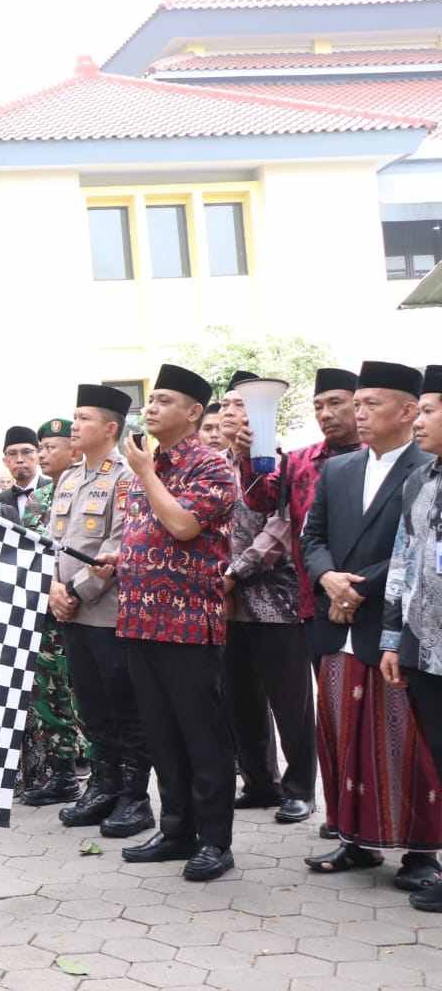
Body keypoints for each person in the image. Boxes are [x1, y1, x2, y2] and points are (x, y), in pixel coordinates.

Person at [93, 363, 238, 881]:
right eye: (151, 400)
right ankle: (177, 830)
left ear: (195, 413)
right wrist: (122, 558)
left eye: (165, 401)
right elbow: (147, 534)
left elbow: (181, 525)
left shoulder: (212, 467)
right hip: (138, 621)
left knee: (202, 736)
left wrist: (147, 475)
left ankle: (215, 842)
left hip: (187, 626)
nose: (151, 408)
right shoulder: (146, 466)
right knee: (161, 735)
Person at [302, 360, 440, 890]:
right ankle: (354, 838)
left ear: (408, 411)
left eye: (370, 404)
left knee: (406, 743)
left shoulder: (424, 469)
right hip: (335, 624)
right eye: (355, 404)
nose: (358, 414)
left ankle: (421, 852)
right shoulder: (337, 470)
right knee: (341, 736)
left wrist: (356, 588)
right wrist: (329, 578)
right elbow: (312, 537)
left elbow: (413, 555)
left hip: (389, 625)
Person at [233, 366, 359, 832]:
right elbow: (267, 502)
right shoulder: (303, 460)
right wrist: (251, 456)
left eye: (338, 403)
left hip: (371, 602)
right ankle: (342, 813)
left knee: (369, 717)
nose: (327, 413)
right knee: (330, 713)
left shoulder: (389, 461)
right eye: (319, 406)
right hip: (315, 603)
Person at [51, 386, 151, 837]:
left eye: (84, 418)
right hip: (70, 612)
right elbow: (52, 546)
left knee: (124, 706)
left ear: (110, 428)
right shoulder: (70, 478)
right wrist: (53, 589)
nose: (74, 426)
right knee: (90, 705)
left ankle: (135, 797)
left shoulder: (126, 478)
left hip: (108, 613)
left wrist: (75, 590)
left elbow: (118, 545)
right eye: (74, 417)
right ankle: (104, 785)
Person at [218, 373, 316, 824]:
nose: (230, 414)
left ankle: (299, 789)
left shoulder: (278, 466)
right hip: (226, 605)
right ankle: (259, 782)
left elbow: (281, 530)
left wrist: (235, 572)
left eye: (240, 406)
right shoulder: (213, 467)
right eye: (223, 407)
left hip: (275, 603)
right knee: (240, 700)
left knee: (289, 701)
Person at [379, 365, 442, 911]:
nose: (419, 421)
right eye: (418, 410)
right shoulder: (419, 481)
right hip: (424, 649)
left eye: (429, 410)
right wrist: (391, 639)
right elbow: (403, 562)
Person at [18, 418, 87, 806]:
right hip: (44, 615)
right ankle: (61, 776)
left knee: (85, 698)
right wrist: (47, 592)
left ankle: (98, 775)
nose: (42, 455)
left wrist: (70, 591)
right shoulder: (37, 501)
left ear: (73, 450)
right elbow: (29, 556)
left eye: (50, 447)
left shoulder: (86, 490)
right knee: (49, 697)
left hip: (82, 610)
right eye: (39, 447)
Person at [0, 426, 49, 517]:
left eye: (26, 452)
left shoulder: (55, 490)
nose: (19, 459)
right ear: (5, 461)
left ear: (38, 456)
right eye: (12, 453)